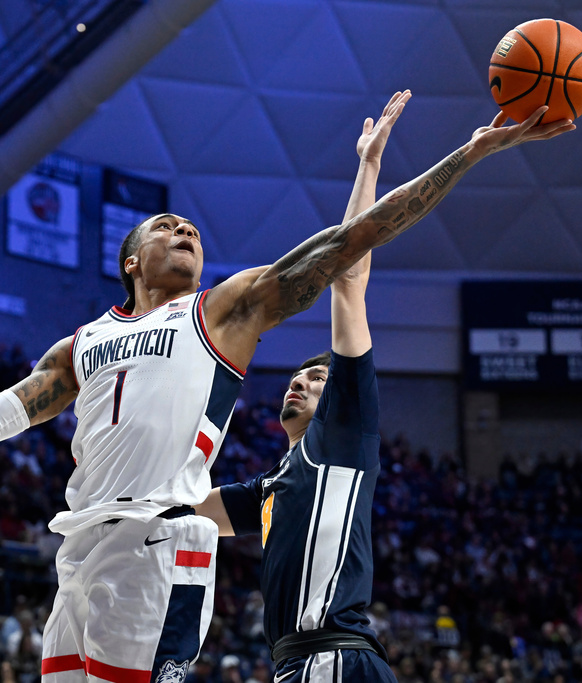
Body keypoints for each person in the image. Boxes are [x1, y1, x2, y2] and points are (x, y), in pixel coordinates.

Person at [0, 99, 573, 681]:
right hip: (78, 551)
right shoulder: (79, 345)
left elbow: (351, 243)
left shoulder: (222, 311)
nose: (185, 230)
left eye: (194, 232)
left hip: (158, 546)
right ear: (129, 260)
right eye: (166, 226)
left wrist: (468, 155)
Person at [192, 95, 405, 682]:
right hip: (298, 665)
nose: (299, 383)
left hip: (338, 657)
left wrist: (368, 167)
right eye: (294, 378)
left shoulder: (343, 430)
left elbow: (347, 275)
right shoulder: (272, 487)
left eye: (315, 378)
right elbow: (185, 510)